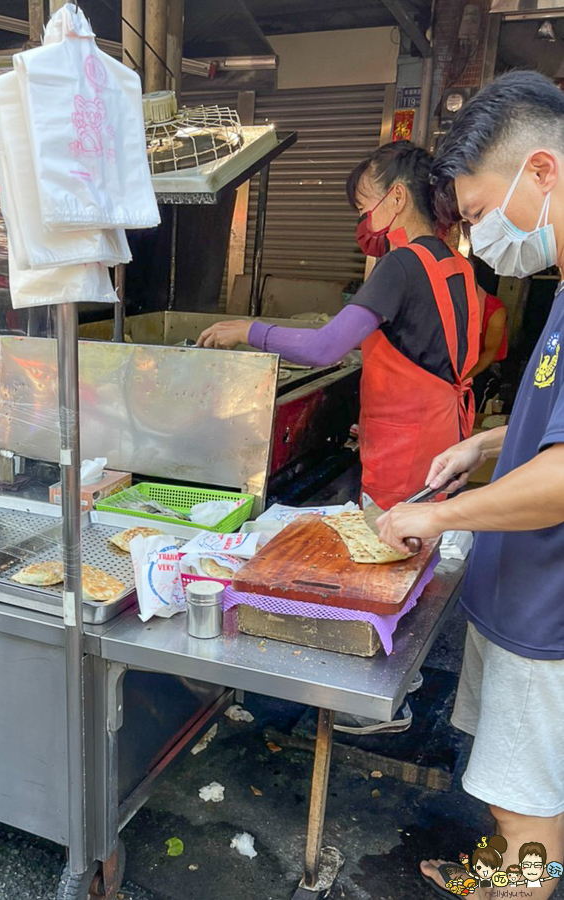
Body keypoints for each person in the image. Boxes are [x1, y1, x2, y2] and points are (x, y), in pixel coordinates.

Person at [376, 71, 564, 900]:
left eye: (483, 214)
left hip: (547, 610)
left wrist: (440, 511)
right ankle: (499, 874)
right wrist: (492, 440)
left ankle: (523, 884)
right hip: (516, 588)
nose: (482, 238)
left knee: (529, 809)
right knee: (503, 786)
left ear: (543, 172)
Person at [197, 141, 481, 512]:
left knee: (392, 553)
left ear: (397, 198)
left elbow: (324, 348)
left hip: (405, 457)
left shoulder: (401, 265)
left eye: (365, 209)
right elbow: (427, 351)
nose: (365, 223)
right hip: (443, 440)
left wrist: (249, 331)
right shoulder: (456, 264)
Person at [469, 268, 509, 406]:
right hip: (452, 363)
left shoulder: (495, 310)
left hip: (483, 365)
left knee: (476, 390)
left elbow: (490, 351)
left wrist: (465, 377)